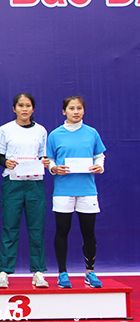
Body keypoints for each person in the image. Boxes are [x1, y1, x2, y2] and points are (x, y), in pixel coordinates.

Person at [47, 95, 106, 288]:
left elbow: (99, 156)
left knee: (88, 231)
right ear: (64, 111)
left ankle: (90, 272)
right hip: (63, 191)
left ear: (83, 110)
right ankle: (62, 273)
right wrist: (54, 169)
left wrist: (99, 166)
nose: (76, 112)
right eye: (71, 108)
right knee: (62, 231)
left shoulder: (92, 133)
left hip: (87, 190)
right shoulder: (55, 134)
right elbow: (50, 160)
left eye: (79, 108)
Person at [0, 93, 50, 289]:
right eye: (20, 105)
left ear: (33, 109)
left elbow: (44, 156)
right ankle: (4, 272)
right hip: (13, 183)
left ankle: (38, 272)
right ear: (14, 108)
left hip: (35, 183)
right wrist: (6, 162)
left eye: (28, 106)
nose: (24, 109)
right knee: (10, 227)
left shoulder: (41, 131)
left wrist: (45, 162)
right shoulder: (5, 129)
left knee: (36, 229)